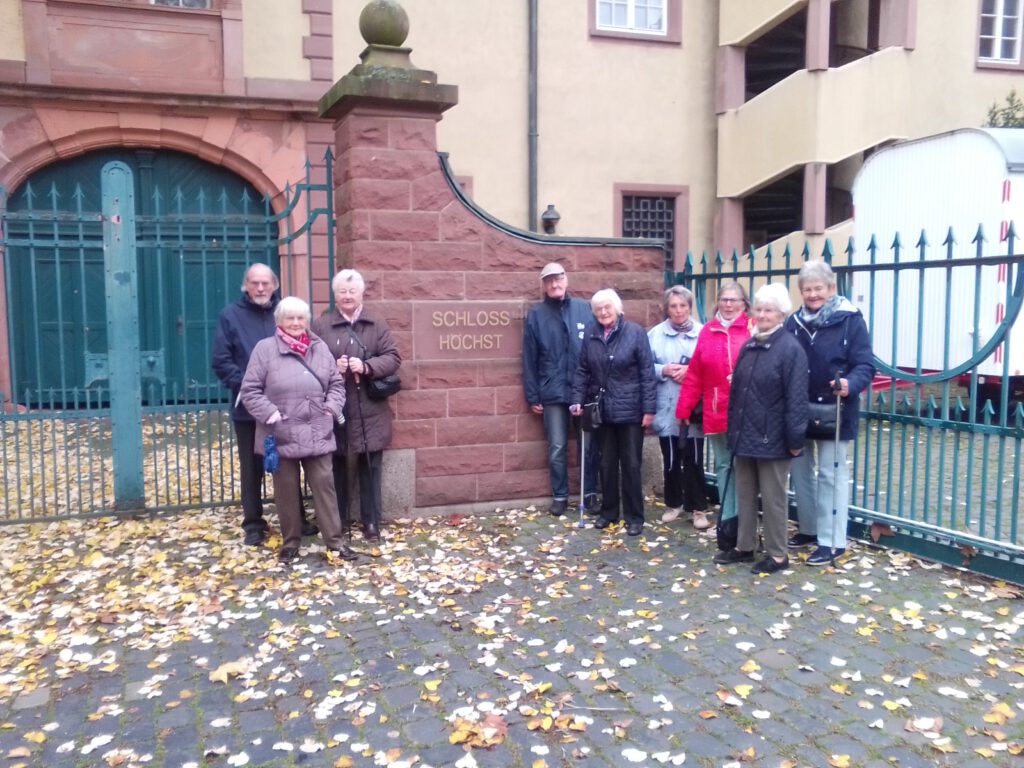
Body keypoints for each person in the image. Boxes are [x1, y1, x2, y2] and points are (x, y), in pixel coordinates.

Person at [239, 296, 356, 563]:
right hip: (281, 431)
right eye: (289, 318)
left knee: (325, 488)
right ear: (279, 321)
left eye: (300, 317)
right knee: (286, 491)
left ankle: (335, 542)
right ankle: (290, 542)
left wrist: (331, 409)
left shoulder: (319, 347)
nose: (295, 322)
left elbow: (336, 384)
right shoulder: (265, 349)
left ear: (307, 320)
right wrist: (271, 414)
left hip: (318, 430)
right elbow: (250, 390)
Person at [211, 263, 317, 546]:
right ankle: (253, 524)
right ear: (246, 286)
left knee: (290, 462)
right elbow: (221, 360)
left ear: (274, 285)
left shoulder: (286, 312)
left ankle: (296, 519)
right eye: (255, 283)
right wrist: (249, 386)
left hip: (287, 406)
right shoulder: (230, 316)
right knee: (252, 468)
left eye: (265, 283)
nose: (260, 288)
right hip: (248, 408)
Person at [784, 260, 875, 565]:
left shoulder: (850, 319)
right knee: (799, 470)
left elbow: (865, 364)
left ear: (831, 288)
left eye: (818, 288)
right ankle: (809, 529)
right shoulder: (793, 322)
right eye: (807, 289)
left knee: (831, 474)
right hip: (799, 407)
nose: (813, 294)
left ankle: (832, 541)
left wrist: (851, 384)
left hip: (836, 407)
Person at [714, 283, 808, 575]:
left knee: (773, 499)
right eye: (759, 309)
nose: (763, 315)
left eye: (769, 310)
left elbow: (796, 399)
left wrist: (795, 440)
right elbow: (738, 395)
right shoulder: (751, 345)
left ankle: (778, 555)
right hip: (746, 435)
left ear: (781, 314)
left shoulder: (790, 348)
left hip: (774, 439)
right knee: (745, 493)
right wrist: (733, 432)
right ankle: (745, 546)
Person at [312, 269, 401, 541]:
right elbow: (310, 362)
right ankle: (336, 520)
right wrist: (333, 367)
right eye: (342, 291)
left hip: (370, 408)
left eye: (352, 291)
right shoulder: (321, 325)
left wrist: (366, 366)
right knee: (336, 466)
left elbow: (393, 357)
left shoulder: (376, 324)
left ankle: (371, 521)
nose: (347, 296)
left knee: (370, 465)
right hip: (336, 407)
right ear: (335, 295)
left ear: (361, 294)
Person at [570, 289, 656, 536]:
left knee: (631, 465)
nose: (603, 312)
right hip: (603, 410)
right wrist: (576, 399)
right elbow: (583, 370)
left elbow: (647, 373)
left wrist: (649, 409)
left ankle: (634, 517)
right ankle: (609, 513)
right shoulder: (591, 334)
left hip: (631, 411)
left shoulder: (635, 333)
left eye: (607, 307)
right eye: (598, 309)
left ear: (618, 308)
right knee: (606, 464)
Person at [522, 262, 601, 517]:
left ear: (566, 280)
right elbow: (529, 357)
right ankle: (560, 496)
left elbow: (596, 350)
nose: (554, 284)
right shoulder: (537, 314)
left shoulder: (584, 309)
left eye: (558, 279)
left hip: (583, 391)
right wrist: (533, 394)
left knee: (588, 447)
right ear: (544, 286)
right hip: (552, 392)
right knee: (557, 447)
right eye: (549, 281)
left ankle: (589, 493)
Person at [673, 281, 751, 537]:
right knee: (723, 465)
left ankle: (745, 522)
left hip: (746, 411)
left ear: (743, 303)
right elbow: (695, 373)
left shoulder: (752, 328)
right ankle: (728, 521)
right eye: (724, 299)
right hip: (717, 409)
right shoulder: (708, 330)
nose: (728, 305)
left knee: (745, 468)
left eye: (733, 300)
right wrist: (684, 409)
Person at [647, 286, 710, 529]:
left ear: (690, 307)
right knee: (671, 458)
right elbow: (644, 366)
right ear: (667, 308)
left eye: (683, 305)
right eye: (673, 306)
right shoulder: (655, 334)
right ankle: (674, 503)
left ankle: (698, 508)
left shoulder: (704, 333)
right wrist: (662, 370)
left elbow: (711, 365)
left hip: (695, 407)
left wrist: (690, 371)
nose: (678, 310)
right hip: (667, 405)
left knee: (695, 459)